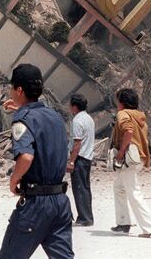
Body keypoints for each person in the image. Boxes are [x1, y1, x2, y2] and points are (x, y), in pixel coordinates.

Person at [0, 64, 73, 259]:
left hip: (36, 204)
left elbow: (26, 156)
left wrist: (14, 179)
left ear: (19, 90)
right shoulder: (54, 116)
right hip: (60, 202)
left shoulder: (23, 119)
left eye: (12, 88)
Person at [111, 88, 151, 238]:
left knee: (133, 192)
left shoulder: (123, 114)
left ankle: (150, 228)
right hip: (139, 158)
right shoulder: (140, 116)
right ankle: (123, 222)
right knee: (118, 187)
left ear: (122, 102)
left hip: (128, 158)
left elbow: (129, 131)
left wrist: (120, 151)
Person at [67, 94, 94, 227]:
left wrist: (71, 161)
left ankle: (85, 218)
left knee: (79, 188)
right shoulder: (89, 118)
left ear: (74, 106)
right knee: (85, 187)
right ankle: (86, 216)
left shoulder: (77, 121)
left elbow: (77, 143)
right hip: (87, 157)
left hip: (80, 158)